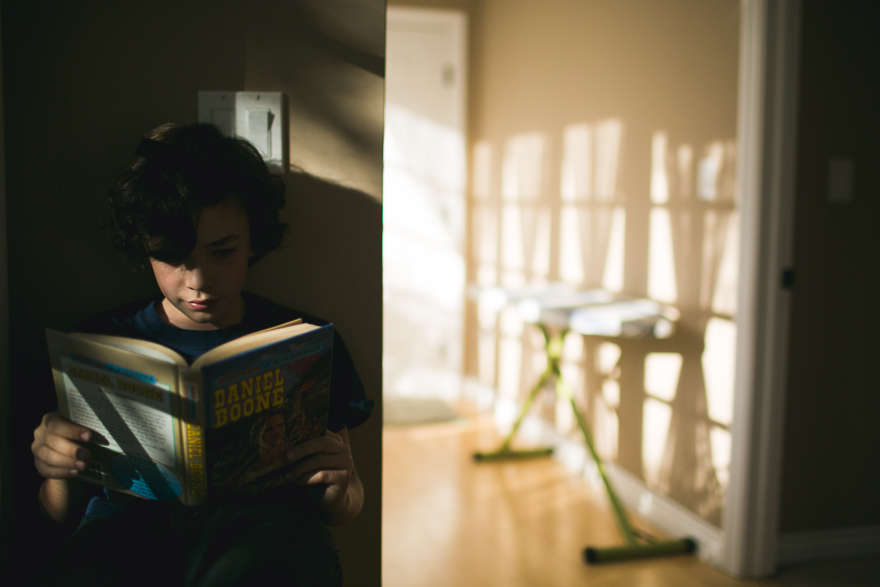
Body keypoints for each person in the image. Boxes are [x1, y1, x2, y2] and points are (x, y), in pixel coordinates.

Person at [30, 122, 373, 586]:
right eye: (173, 256)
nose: (197, 281)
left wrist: (342, 484)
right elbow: (59, 513)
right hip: (128, 534)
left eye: (222, 252)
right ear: (144, 248)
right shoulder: (97, 343)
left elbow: (343, 509)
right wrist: (56, 470)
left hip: (265, 535)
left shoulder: (306, 344)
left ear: (253, 240)